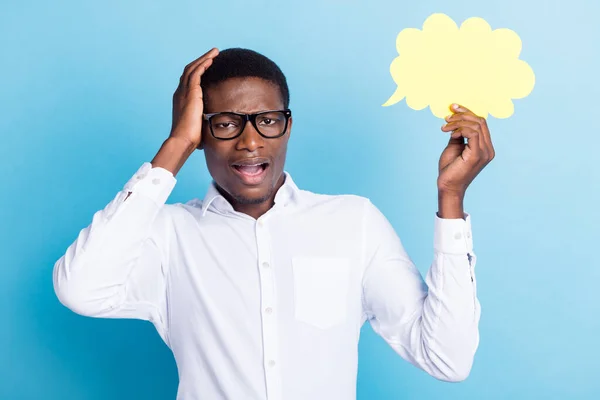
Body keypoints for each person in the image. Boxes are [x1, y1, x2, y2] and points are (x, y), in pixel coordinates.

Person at [53, 47, 494, 400]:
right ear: (201, 132)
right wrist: (175, 146)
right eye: (225, 124)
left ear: (287, 127)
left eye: (267, 121)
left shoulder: (353, 222)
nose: (250, 141)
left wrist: (451, 200)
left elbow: (447, 360)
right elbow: (80, 290)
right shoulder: (168, 234)